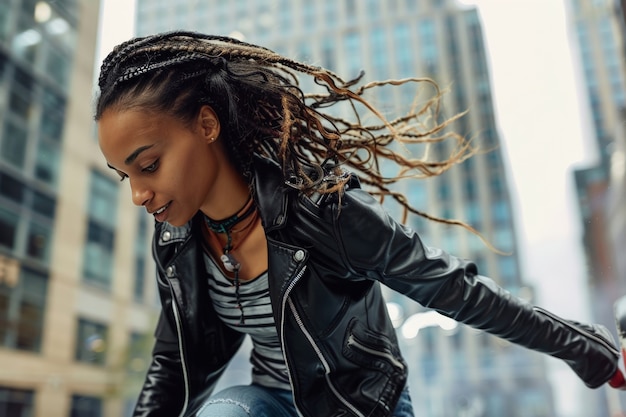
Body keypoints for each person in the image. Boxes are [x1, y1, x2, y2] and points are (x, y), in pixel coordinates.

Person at [95, 31, 625, 417]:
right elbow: (174, 362)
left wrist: (590, 351)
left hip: (360, 406)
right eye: (126, 177)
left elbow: (456, 292)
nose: (141, 195)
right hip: (266, 403)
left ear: (206, 125)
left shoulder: (321, 213)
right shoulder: (176, 239)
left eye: (149, 166)